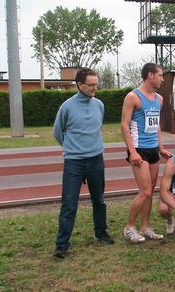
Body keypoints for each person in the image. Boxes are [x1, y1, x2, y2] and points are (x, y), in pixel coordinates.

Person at [52, 68, 114, 259]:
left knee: (99, 200)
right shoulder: (67, 107)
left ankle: (101, 232)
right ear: (80, 85)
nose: (95, 88)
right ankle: (62, 244)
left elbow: (97, 127)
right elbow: (58, 132)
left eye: (97, 84)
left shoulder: (99, 105)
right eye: (91, 85)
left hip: (96, 160)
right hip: (74, 162)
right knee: (69, 204)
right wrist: (73, 149)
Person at [121, 62, 173, 243]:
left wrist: (161, 148)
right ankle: (129, 228)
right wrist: (132, 151)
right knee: (145, 192)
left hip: (152, 150)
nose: (162, 79)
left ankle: (145, 227)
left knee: (150, 190)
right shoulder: (133, 97)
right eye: (160, 75)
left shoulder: (158, 99)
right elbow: (124, 125)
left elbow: (156, 125)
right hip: (139, 150)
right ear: (150, 75)